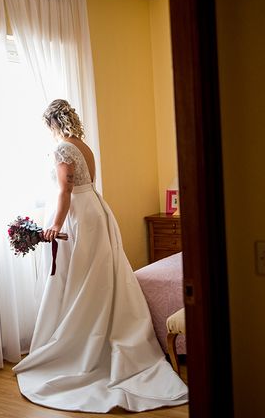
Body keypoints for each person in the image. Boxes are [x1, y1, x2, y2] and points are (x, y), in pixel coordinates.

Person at [13, 99, 189, 413]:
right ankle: (104, 332)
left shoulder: (63, 148)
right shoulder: (84, 146)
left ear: (53, 124)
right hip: (96, 210)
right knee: (99, 274)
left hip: (82, 215)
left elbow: (64, 190)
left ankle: (84, 345)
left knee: (84, 279)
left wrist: (55, 224)